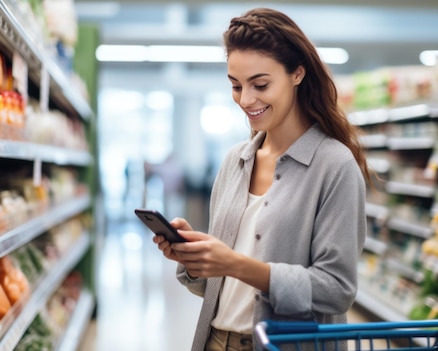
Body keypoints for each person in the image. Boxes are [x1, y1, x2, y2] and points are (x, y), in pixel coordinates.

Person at [152, 7, 373, 351]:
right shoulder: (235, 161)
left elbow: (337, 290)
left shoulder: (335, 166)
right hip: (213, 340)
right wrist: (197, 262)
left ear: (297, 73)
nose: (246, 99)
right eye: (236, 85)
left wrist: (237, 264)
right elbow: (218, 287)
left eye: (260, 84)